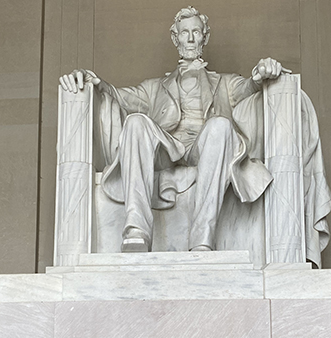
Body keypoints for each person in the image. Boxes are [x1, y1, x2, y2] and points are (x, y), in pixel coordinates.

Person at [59, 7, 288, 253]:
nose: (190, 39)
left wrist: (262, 72)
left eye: (196, 32)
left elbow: (248, 87)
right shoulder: (154, 88)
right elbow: (118, 95)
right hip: (167, 148)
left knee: (220, 125)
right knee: (136, 122)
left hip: (205, 147)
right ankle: (137, 230)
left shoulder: (225, 83)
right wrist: (90, 80)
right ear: (175, 38)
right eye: (184, 33)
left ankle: (202, 240)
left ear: (205, 37)